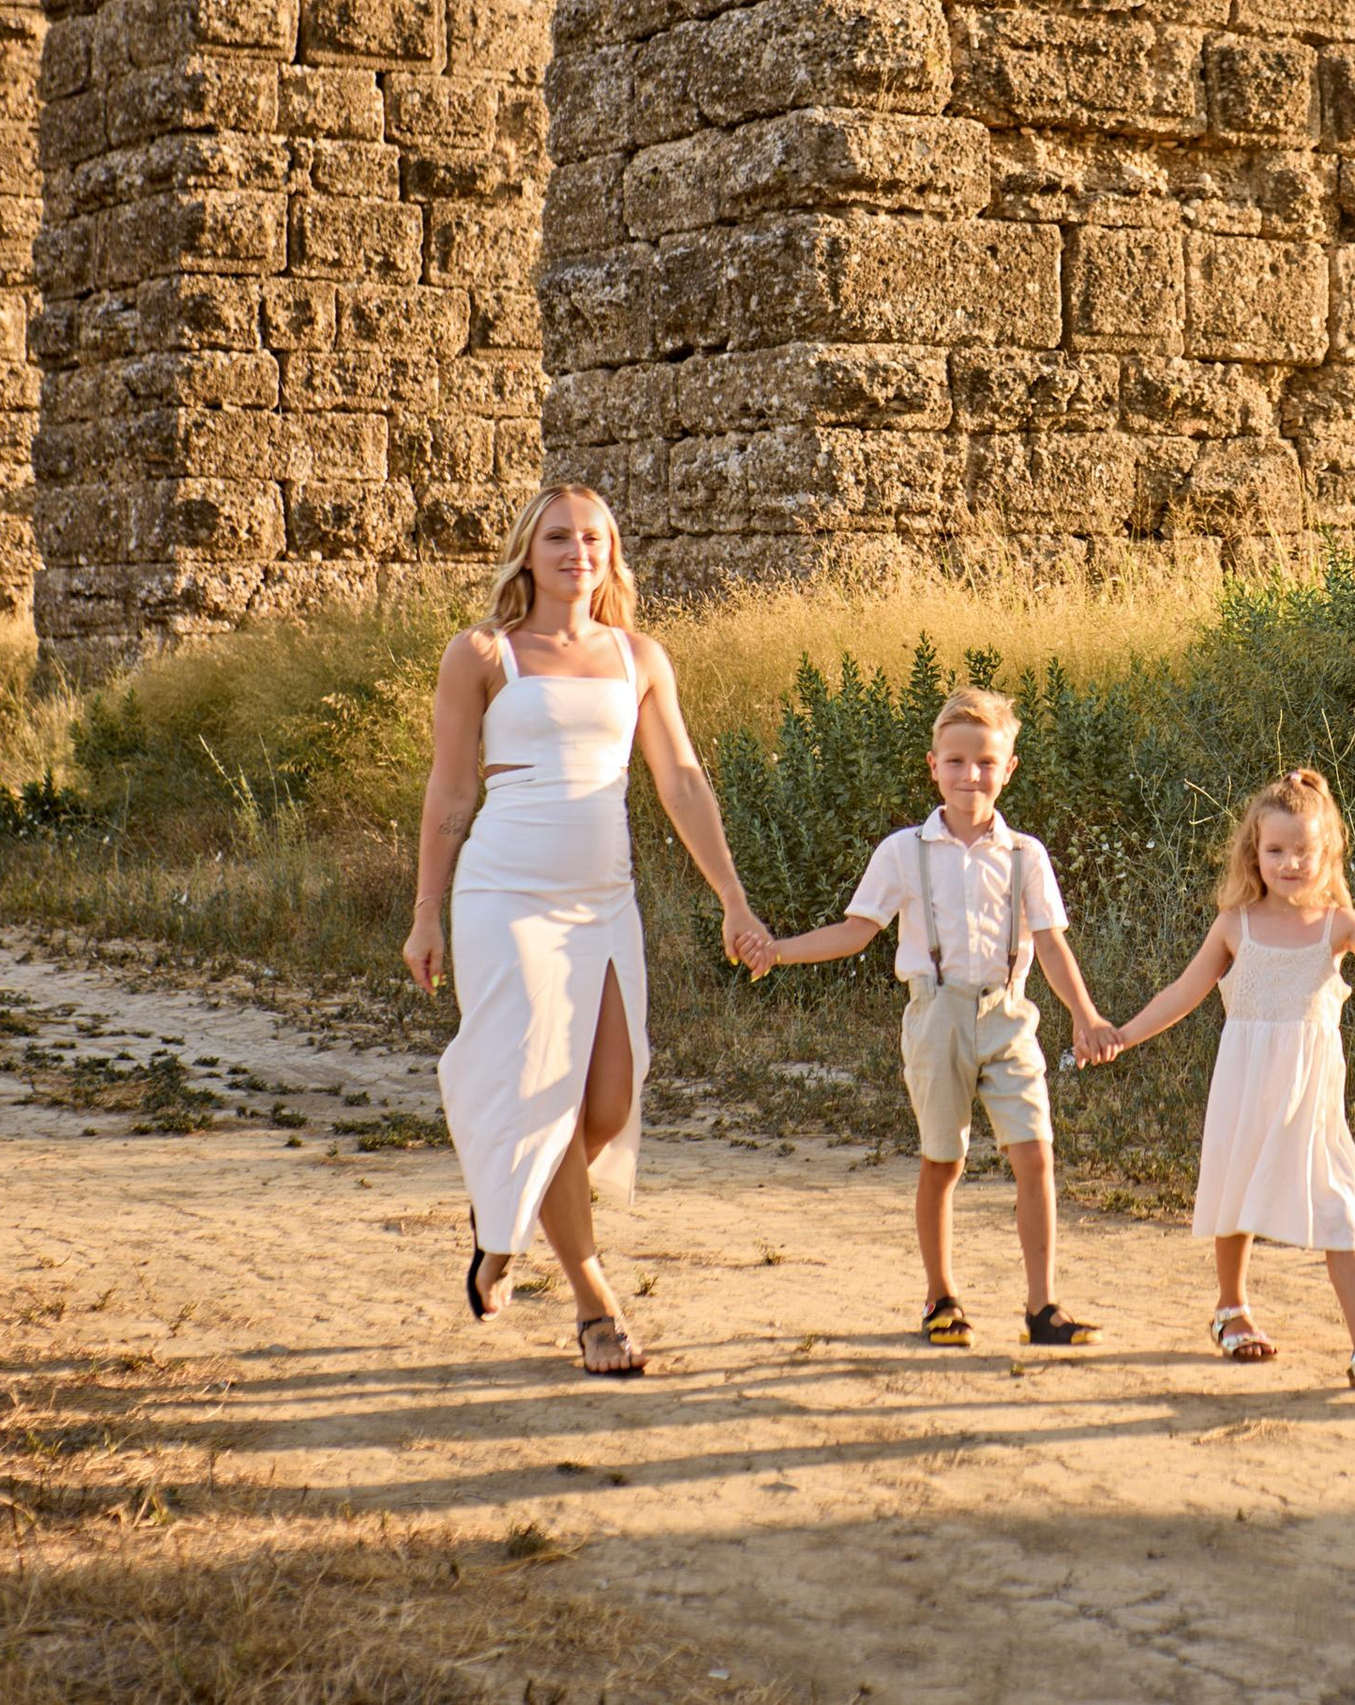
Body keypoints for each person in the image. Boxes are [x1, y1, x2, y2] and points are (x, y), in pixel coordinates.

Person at [405, 483, 775, 1376]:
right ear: (528, 551)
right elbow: (452, 792)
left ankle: (510, 1211)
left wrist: (733, 896)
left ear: (613, 553)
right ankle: (594, 1304)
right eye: (560, 536)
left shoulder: (639, 655)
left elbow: (680, 781)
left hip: (605, 898)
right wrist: (427, 913)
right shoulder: (484, 653)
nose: (579, 551)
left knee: (610, 1094)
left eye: (595, 538)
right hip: (505, 895)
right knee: (545, 1093)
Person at [755, 686, 1112, 1349]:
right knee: (943, 1162)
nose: (969, 775)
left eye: (984, 763)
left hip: (1008, 1016)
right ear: (933, 766)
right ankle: (941, 1298)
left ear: (1008, 769)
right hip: (935, 1015)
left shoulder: (1024, 855)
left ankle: (1043, 1308)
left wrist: (1085, 1016)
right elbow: (856, 931)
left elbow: (1053, 944)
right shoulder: (903, 851)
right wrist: (777, 952)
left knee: (1035, 1155)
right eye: (955, 761)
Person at [1095, 767, 1355, 1388]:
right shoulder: (1234, 926)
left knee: (1338, 1201)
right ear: (1253, 853)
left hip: (1311, 1092)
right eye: (1276, 851)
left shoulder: (1336, 926)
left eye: (1305, 851)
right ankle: (1231, 1310)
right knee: (1235, 1189)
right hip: (1247, 1083)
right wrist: (1123, 1034)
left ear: (1327, 853)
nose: (1291, 863)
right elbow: (1184, 994)